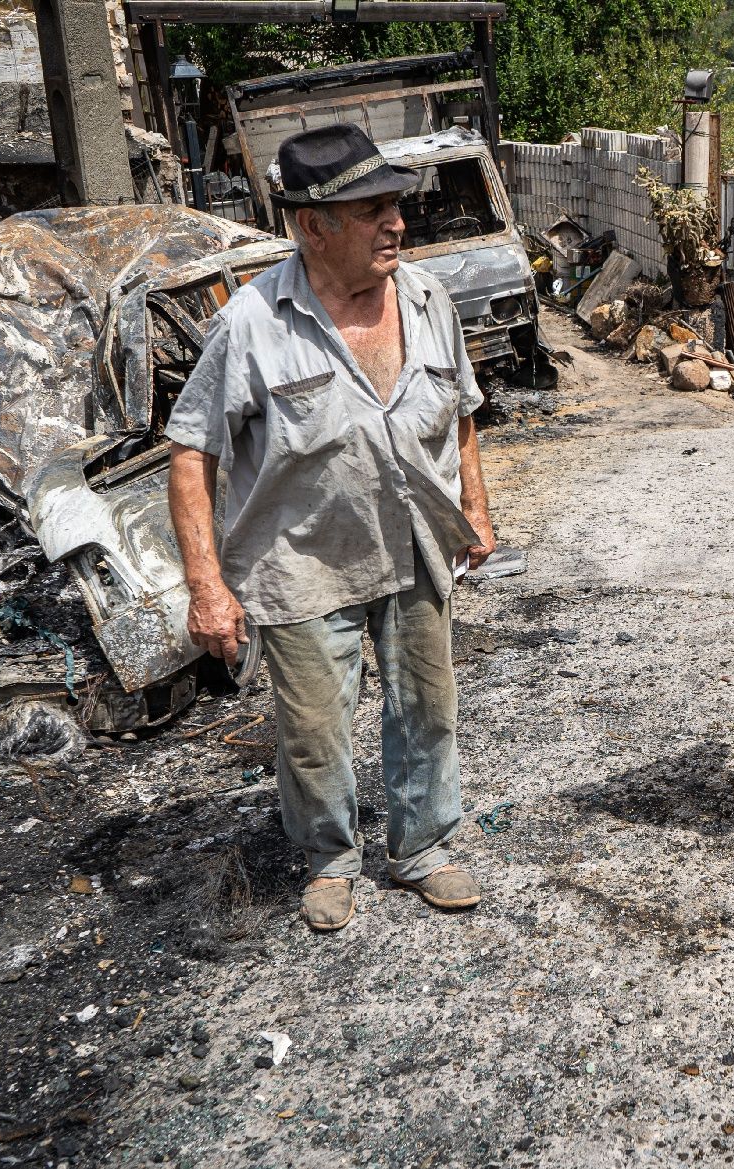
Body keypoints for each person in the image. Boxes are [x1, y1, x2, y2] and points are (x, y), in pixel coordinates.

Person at [165, 123, 497, 933]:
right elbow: (188, 453)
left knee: (428, 708)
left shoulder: (426, 300)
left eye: (394, 203)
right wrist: (207, 587)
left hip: (415, 542)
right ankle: (330, 860)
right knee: (314, 733)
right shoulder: (252, 322)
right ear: (314, 225)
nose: (398, 222)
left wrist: (477, 509)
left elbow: (461, 414)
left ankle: (422, 849)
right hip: (302, 562)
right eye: (372, 207)